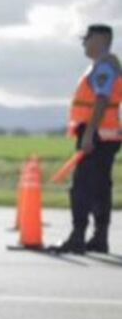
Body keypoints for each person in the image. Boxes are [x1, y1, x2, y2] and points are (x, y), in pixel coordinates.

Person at [52, 24, 122, 255]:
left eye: (87, 38)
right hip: (107, 135)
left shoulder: (104, 67)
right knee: (101, 187)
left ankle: (78, 237)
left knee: (82, 187)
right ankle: (99, 238)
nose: (84, 43)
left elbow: (102, 99)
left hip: (97, 135)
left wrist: (90, 133)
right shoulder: (106, 66)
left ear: (101, 39)